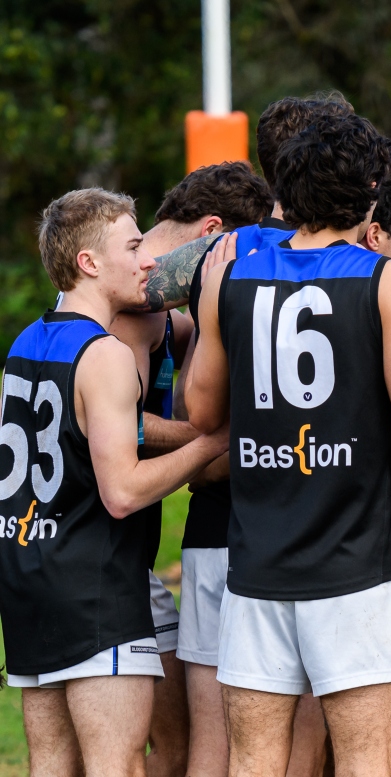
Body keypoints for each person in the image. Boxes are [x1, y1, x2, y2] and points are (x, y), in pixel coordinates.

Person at [185, 112, 391, 777]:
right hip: (356, 571)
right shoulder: (385, 279)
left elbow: (202, 411)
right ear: (373, 189)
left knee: (255, 763)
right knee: (366, 762)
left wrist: (207, 307)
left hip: (257, 569)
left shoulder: (234, 274)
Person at [161, 94, 357, 777]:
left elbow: (193, 403)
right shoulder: (353, 258)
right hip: (325, 531)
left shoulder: (222, 254)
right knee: (312, 748)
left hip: (224, 530)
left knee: (222, 751)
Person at [1, 188, 226, 777]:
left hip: (30, 580)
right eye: (132, 246)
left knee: (51, 764)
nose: (148, 258)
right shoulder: (103, 354)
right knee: (115, 765)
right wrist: (210, 441)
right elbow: (122, 491)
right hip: (95, 590)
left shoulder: (25, 342)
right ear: (89, 263)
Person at [106, 160, 272, 777]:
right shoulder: (130, 303)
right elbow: (111, 427)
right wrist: (216, 439)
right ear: (213, 232)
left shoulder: (143, 299)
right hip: (105, 568)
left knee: (181, 749)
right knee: (173, 751)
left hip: (120, 561)